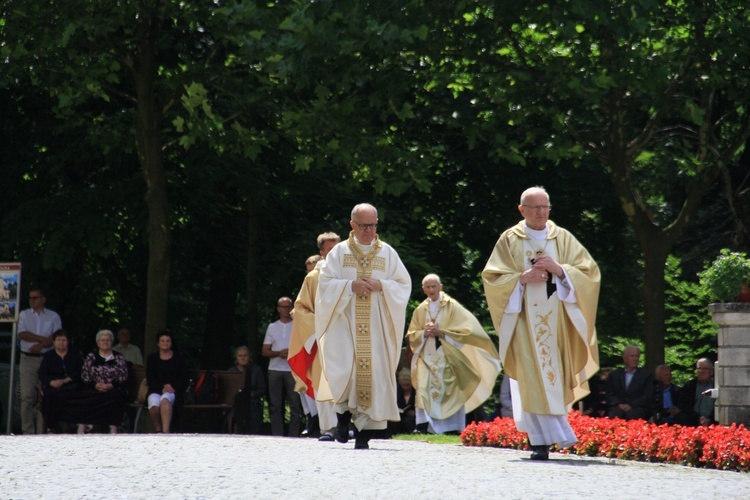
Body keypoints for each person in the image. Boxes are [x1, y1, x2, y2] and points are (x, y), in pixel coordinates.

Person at [482, 186, 600, 460]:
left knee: (553, 375)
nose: (540, 212)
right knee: (533, 378)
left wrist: (560, 270)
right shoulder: (510, 239)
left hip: (557, 323)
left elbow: (590, 274)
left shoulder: (563, 238)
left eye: (545, 207)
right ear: (521, 209)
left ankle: (549, 436)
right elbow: (492, 278)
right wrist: (521, 278)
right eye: (534, 207)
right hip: (524, 321)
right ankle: (541, 441)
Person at [315, 203, 411, 449]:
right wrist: (350, 286)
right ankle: (343, 419)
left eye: (372, 225)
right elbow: (324, 284)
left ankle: (363, 434)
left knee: (372, 375)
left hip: (375, 329)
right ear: (352, 225)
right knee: (344, 370)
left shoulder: (387, 253)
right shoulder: (338, 252)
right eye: (363, 225)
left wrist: (382, 286)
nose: (369, 230)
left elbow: (403, 284)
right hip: (344, 324)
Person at [407, 274, 501, 434]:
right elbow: (412, 334)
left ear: (440, 287)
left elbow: (466, 331)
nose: (431, 290)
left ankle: (451, 427)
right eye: (428, 287)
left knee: (450, 389)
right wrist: (424, 333)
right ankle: (423, 425)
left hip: (447, 354)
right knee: (423, 387)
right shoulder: (420, 309)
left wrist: (442, 333)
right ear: (423, 289)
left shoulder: (452, 307)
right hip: (427, 355)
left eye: (434, 286)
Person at [288, 231, 341, 442]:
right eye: (330, 250)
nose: (336, 253)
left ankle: (349, 425)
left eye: (338, 248)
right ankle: (329, 428)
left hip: (346, 336)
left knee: (346, 380)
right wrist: (320, 323)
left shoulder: (350, 274)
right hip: (323, 338)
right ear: (322, 253)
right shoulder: (313, 278)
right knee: (323, 381)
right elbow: (300, 309)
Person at [18, 288, 62, 434]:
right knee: (27, 396)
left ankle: (42, 431)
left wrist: (42, 345)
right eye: (30, 298)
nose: (32, 300)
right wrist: (42, 339)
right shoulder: (24, 314)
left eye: (36, 298)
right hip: (27, 359)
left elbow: (57, 337)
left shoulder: (53, 316)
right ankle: (27, 432)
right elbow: (22, 333)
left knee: (46, 396)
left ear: (43, 299)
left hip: (46, 359)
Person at [262, 296, 302, 437]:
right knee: (275, 405)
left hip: (293, 370)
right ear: (278, 309)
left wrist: (291, 353)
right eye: (283, 307)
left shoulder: (298, 326)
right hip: (275, 369)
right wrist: (279, 353)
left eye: (288, 306)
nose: (286, 309)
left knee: (295, 404)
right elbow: (265, 350)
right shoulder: (272, 327)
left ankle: (294, 434)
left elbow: (304, 348)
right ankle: (277, 434)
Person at [81, 329, 130, 433]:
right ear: (98, 343)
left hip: (113, 388)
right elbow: (85, 375)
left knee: (117, 397)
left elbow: (123, 375)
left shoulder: (119, 357)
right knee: (86, 397)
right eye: (102, 340)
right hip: (94, 388)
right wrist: (96, 385)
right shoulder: (91, 356)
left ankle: (113, 427)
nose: (105, 342)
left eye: (108, 340)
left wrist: (110, 385)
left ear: (112, 342)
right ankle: (88, 427)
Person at [38, 329, 86, 433]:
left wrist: (66, 380)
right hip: (54, 385)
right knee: (52, 396)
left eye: (64, 340)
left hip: (71, 384)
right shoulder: (48, 356)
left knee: (78, 394)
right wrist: (51, 382)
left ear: (68, 342)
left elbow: (80, 370)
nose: (61, 343)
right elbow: (42, 374)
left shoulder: (75, 354)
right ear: (54, 342)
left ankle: (79, 424)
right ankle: (52, 426)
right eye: (58, 340)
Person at [146, 329, 188, 433]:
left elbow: (183, 376)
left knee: (165, 401)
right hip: (156, 389)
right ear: (158, 343)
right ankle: (158, 429)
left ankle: (166, 431)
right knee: (154, 405)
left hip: (173, 390)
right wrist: (161, 388)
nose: (165, 343)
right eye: (162, 341)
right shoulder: (152, 358)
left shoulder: (179, 357)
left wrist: (172, 387)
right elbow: (150, 377)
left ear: (171, 343)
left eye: (167, 341)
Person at [607, 345, 653, 421]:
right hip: (618, 406)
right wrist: (619, 404)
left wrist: (631, 405)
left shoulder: (646, 375)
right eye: (632, 356)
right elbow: (610, 393)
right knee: (615, 414)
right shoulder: (614, 375)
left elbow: (647, 396)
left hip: (637, 407)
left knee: (632, 414)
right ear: (625, 358)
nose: (634, 359)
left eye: (636, 356)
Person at [228, 346, 266, 434]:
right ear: (236, 358)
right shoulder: (231, 371)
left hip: (251, 399)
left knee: (253, 405)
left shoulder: (256, 370)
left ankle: (253, 431)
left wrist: (253, 394)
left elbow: (262, 388)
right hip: (236, 400)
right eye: (240, 356)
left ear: (249, 357)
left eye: (245, 356)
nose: (242, 358)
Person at [680, 358, 717, 426]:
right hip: (693, 423)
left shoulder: (717, 385)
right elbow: (685, 406)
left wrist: (710, 419)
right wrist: (698, 418)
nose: (702, 371)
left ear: (711, 371)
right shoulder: (690, 386)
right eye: (700, 368)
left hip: (714, 423)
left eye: (705, 368)